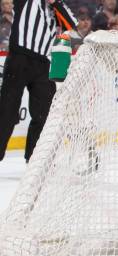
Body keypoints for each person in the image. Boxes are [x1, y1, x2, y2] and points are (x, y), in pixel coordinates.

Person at [0, 0, 77, 163]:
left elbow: (72, 25)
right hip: (19, 58)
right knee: (7, 111)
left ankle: (34, 160)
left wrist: (55, 3)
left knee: (45, 113)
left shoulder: (57, 7)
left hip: (43, 63)